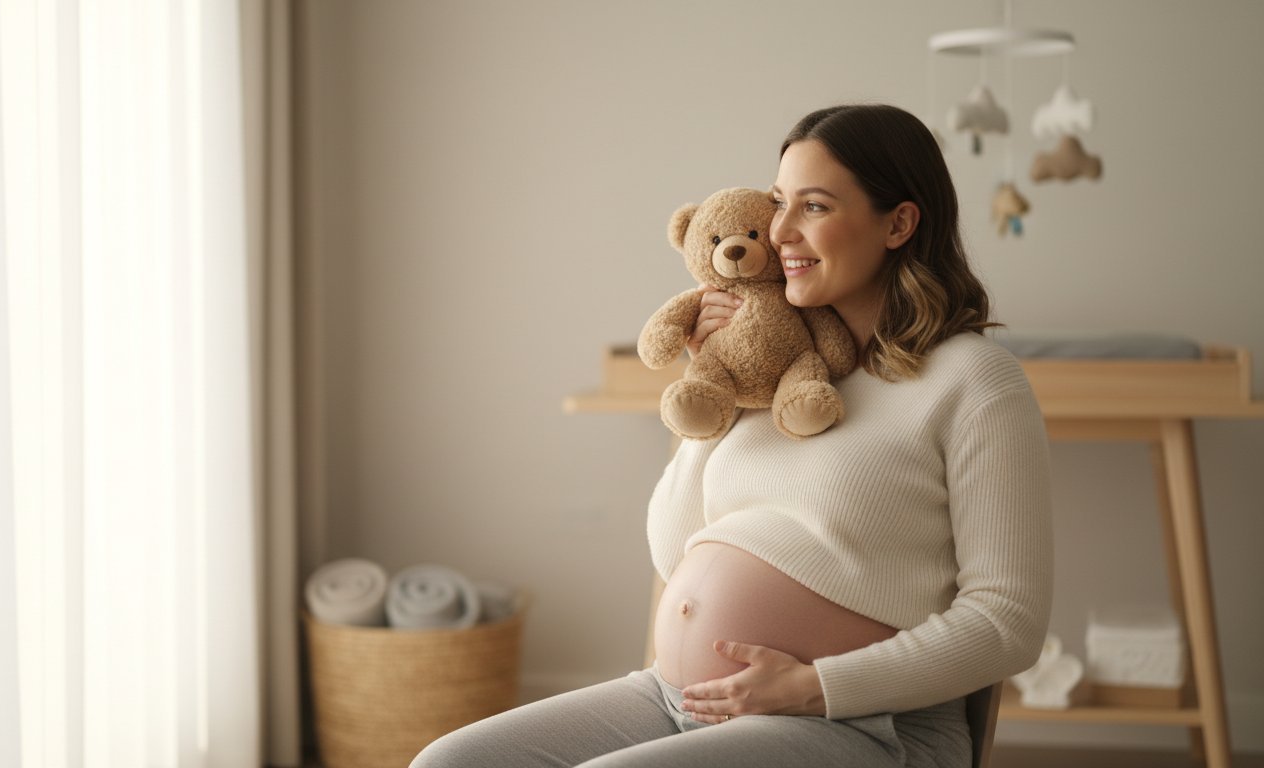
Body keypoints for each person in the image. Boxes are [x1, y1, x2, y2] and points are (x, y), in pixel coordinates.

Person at [411, 103, 1053, 768]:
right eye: (779, 203)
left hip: (865, 726)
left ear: (898, 223)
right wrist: (716, 384)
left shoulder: (974, 382)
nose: (779, 232)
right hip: (675, 699)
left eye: (814, 207)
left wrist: (812, 688)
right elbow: (673, 548)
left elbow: (1007, 621)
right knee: (449, 764)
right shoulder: (776, 373)